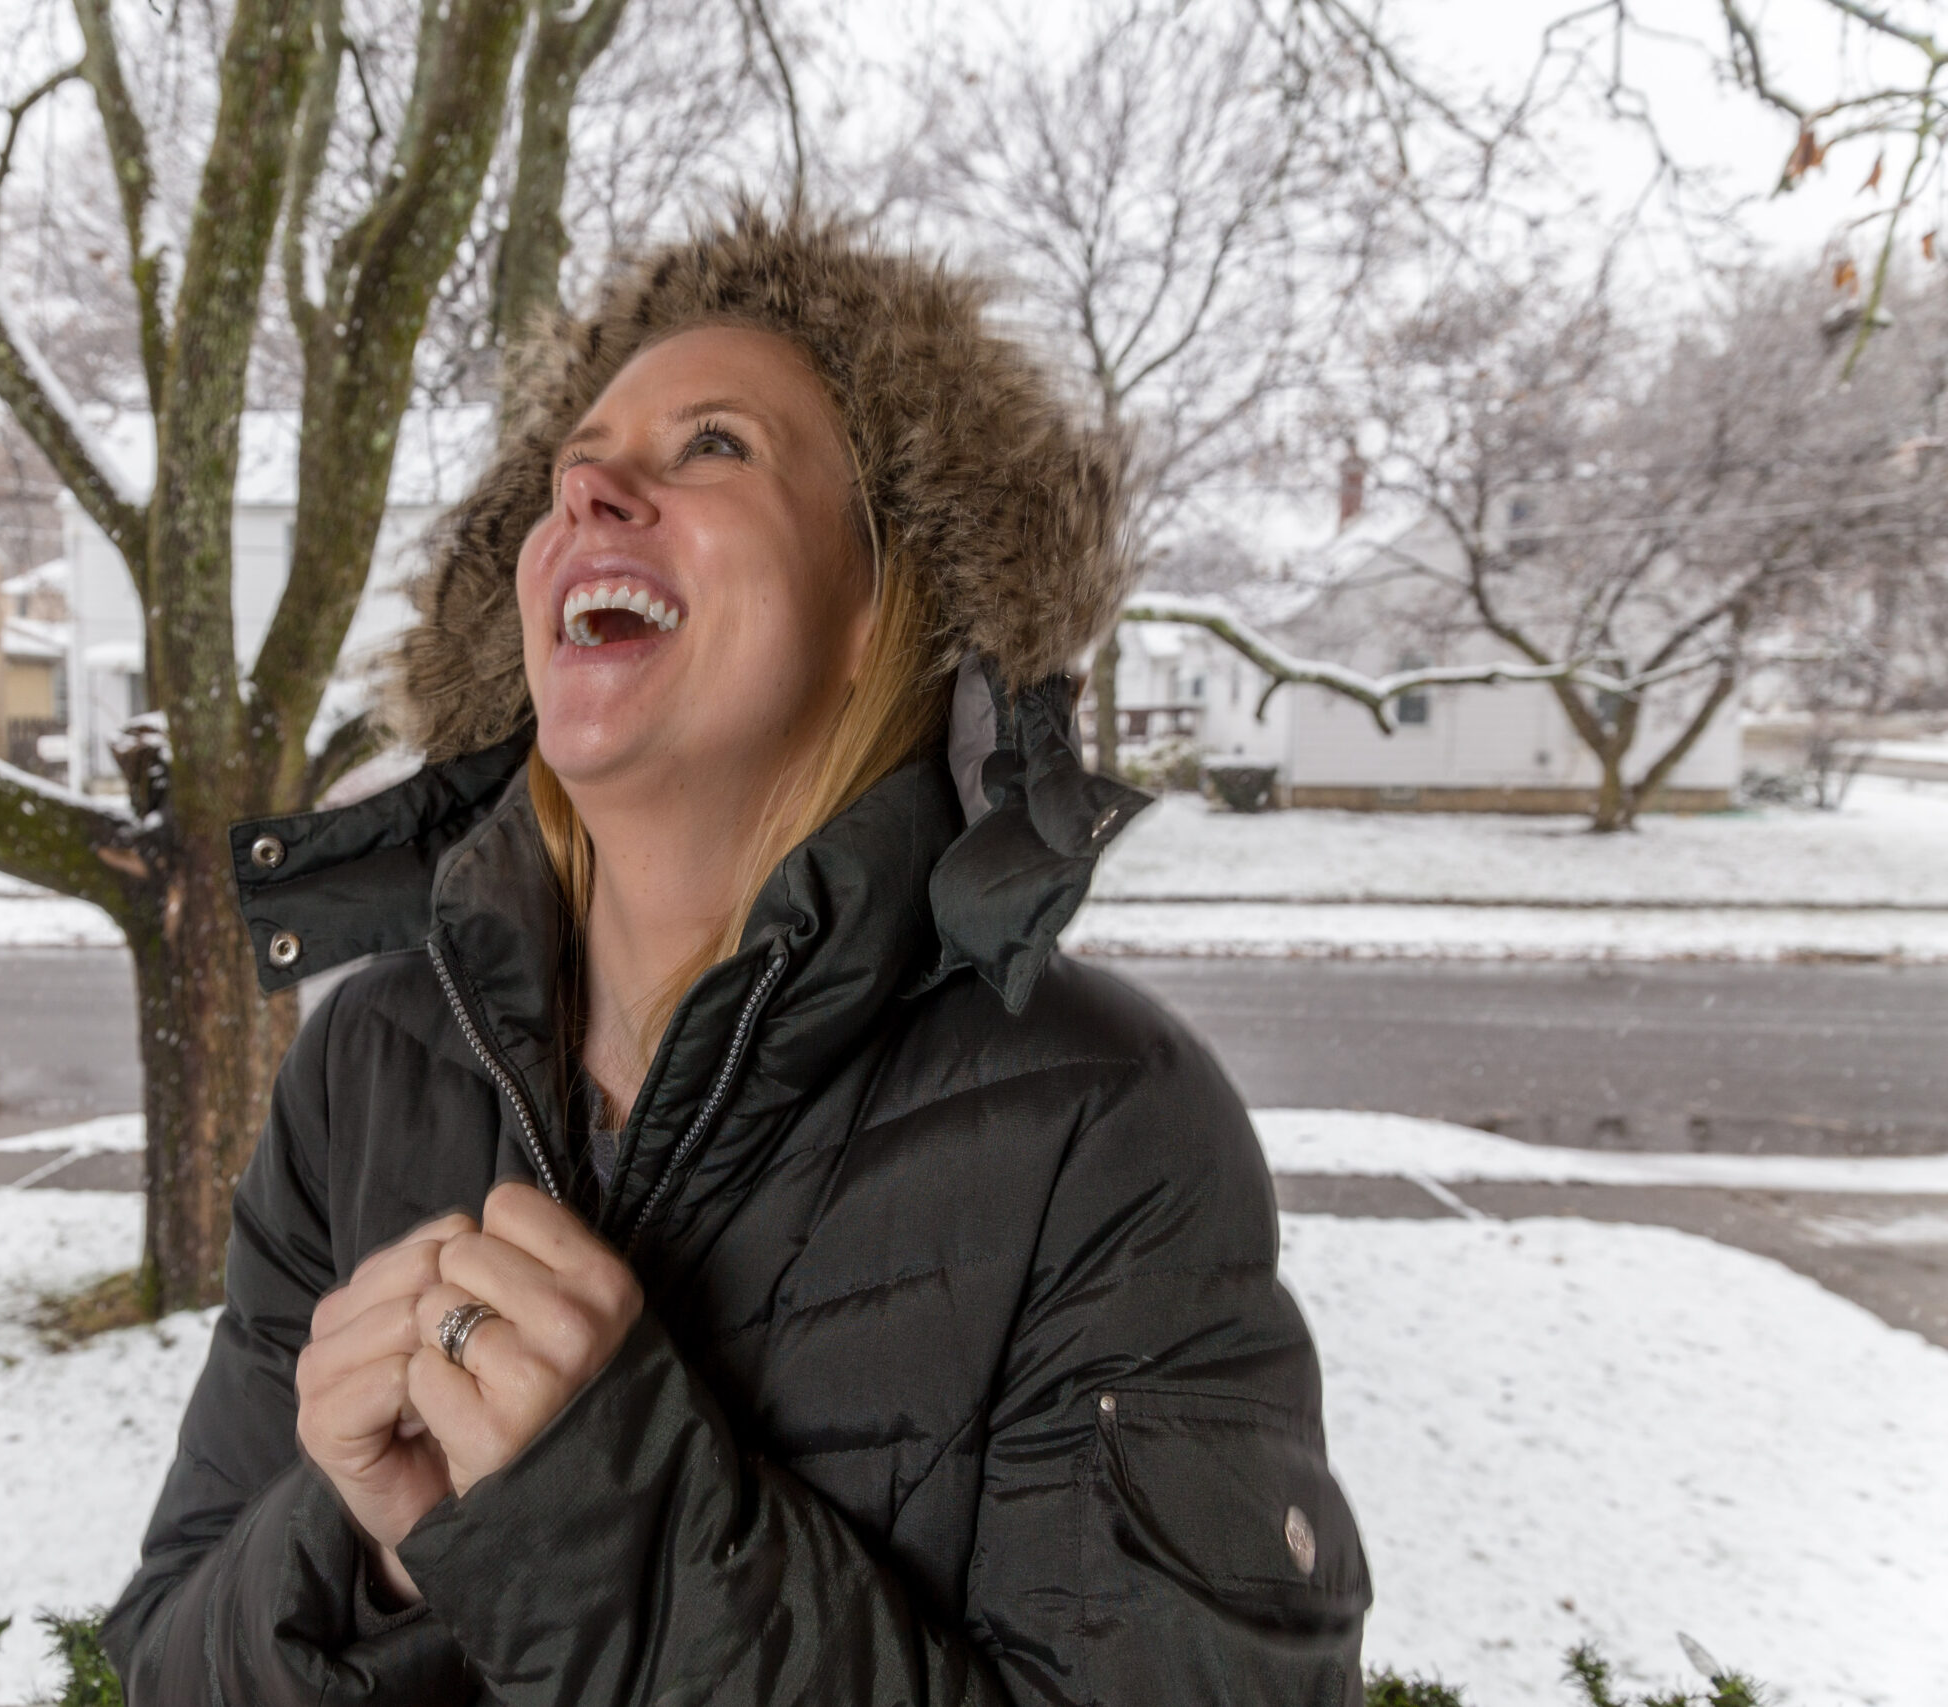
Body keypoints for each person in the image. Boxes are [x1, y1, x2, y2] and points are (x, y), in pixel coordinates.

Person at [102, 211, 1369, 1705]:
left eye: (714, 445)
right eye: (577, 459)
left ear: (880, 611)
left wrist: (589, 1510)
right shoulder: (369, 1064)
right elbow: (170, 1665)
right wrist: (371, 1550)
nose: (588, 485)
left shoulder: (1105, 1126)